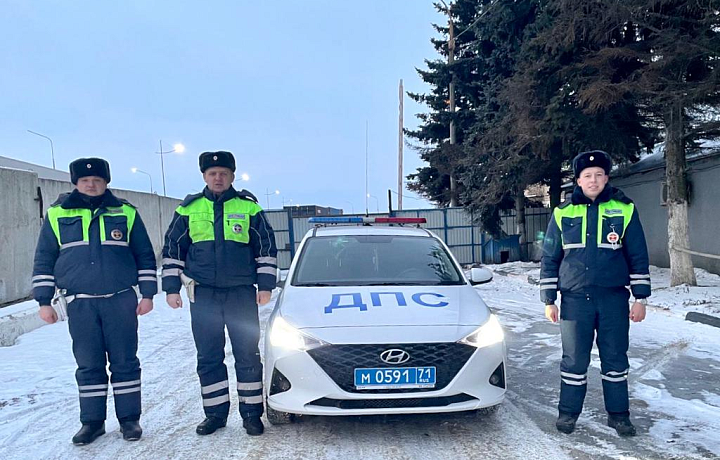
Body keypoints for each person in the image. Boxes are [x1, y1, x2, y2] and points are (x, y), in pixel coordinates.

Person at [32, 158, 157, 445]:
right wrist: (43, 301)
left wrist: (148, 294)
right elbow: (44, 259)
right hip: (81, 304)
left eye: (97, 180)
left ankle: (129, 421)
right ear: (75, 182)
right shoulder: (57, 214)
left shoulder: (125, 211)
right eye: (85, 180)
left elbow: (145, 255)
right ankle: (92, 422)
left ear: (106, 182)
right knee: (88, 364)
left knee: (125, 362)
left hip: (120, 300)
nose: (91, 184)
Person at [162, 151, 277, 437]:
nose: (218, 178)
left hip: (240, 294)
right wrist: (171, 289)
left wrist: (265, 286)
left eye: (223, 173)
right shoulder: (188, 209)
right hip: (203, 295)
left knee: (247, 355)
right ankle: (214, 414)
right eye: (212, 173)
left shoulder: (249, 208)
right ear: (204, 176)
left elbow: (265, 249)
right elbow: (173, 250)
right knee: (209, 356)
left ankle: (252, 415)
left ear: (232, 177)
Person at [540, 150, 651, 437]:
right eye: (587, 176)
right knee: (574, 360)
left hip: (613, 298)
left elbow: (637, 253)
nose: (593, 180)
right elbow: (550, 256)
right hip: (575, 300)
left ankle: (618, 415)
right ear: (578, 180)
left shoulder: (624, 209)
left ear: (607, 178)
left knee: (615, 358)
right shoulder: (563, 212)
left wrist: (640, 298)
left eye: (599, 175)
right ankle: (568, 413)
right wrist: (549, 300)